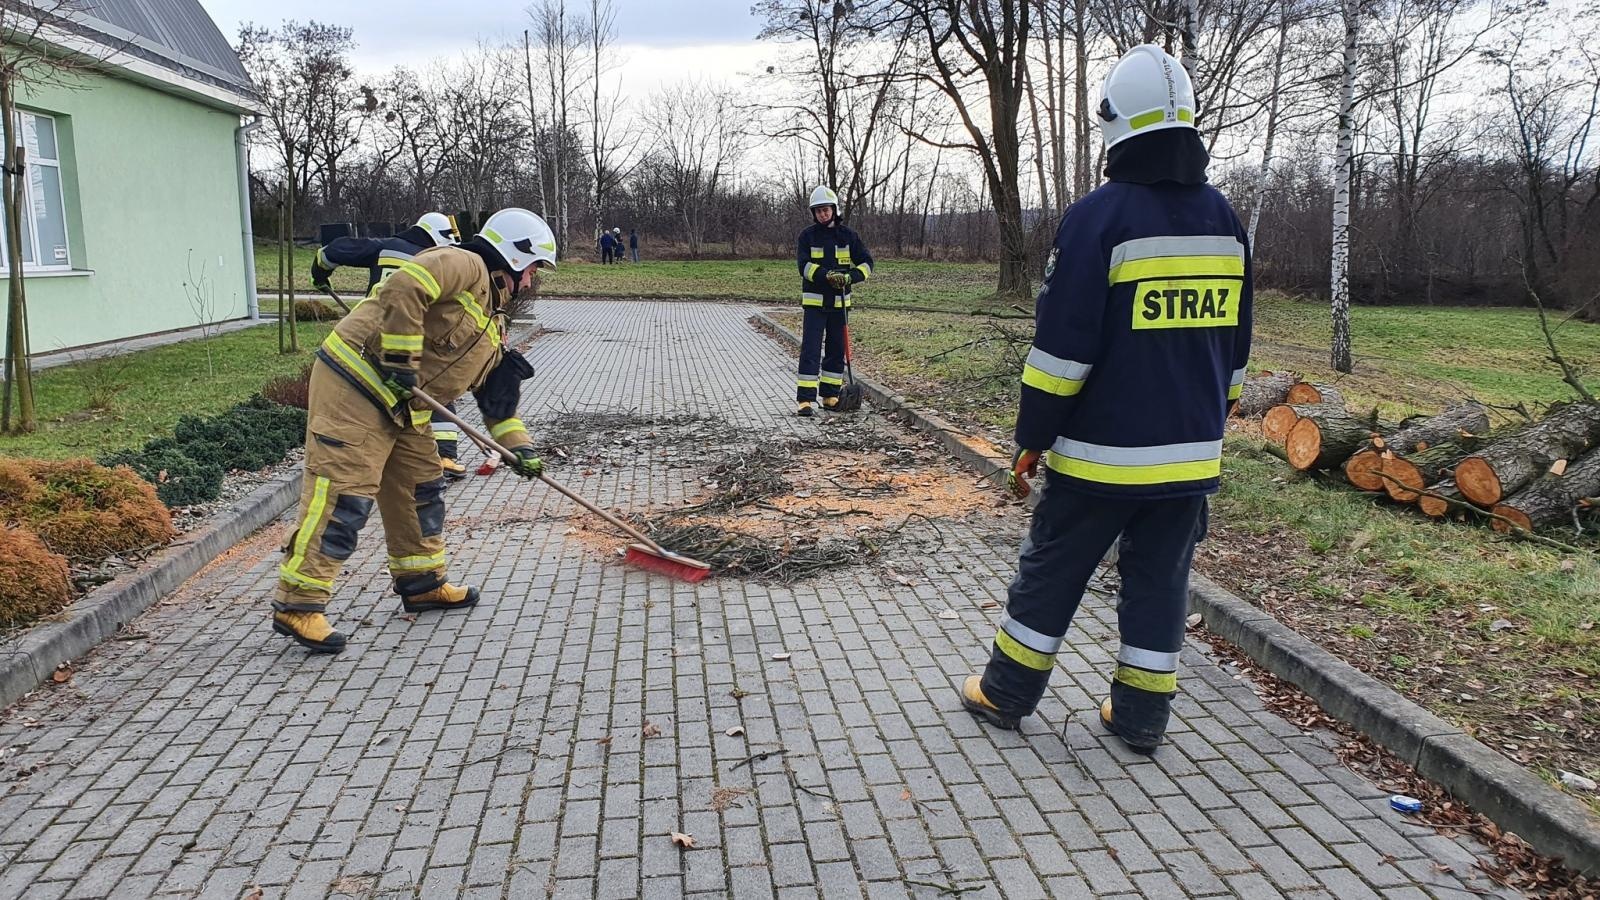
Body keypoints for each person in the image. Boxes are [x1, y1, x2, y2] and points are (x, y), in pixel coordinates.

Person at [958, 44, 1253, 755]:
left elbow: (1062, 354)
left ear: (1116, 124)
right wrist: (1211, 420)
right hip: (1190, 458)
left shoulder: (1099, 218)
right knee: (1160, 584)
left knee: (1053, 571)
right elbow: (1236, 351)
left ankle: (1006, 692)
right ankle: (1142, 716)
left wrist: (1033, 436)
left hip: (1102, 457)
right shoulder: (1224, 219)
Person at [271, 208, 557, 655]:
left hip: (404, 408)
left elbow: (496, 401)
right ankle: (299, 602)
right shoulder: (464, 264)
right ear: (515, 257)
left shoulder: (492, 320)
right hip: (357, 383)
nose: (532, 279)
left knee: (420, 489)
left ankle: (421, 582)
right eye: (534, 268)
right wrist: (400, 359)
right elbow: (406, 286)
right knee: (344, 494)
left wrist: (519, 447)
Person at [311, 213, 474, 479]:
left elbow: (336, 250)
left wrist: (319, 273)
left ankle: (395, 456)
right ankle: (444, 457)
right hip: (417, 338)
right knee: (433, 393)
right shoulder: (440, 263)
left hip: (369, 340)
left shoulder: (385, 247)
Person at [793, 186, 873, 417]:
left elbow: (867, 263)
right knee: (810, 349)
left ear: (834, 209)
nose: (823, 214)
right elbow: (804, 266)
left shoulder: (848, 236)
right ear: (814, 213)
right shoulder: (807, 236)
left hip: (840, 305)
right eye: (818, 211)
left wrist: (850, 277)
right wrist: (825, 275)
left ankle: (830, 395)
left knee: (836, 350)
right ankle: (805, 399)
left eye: (826, 210)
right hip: (815, 305)